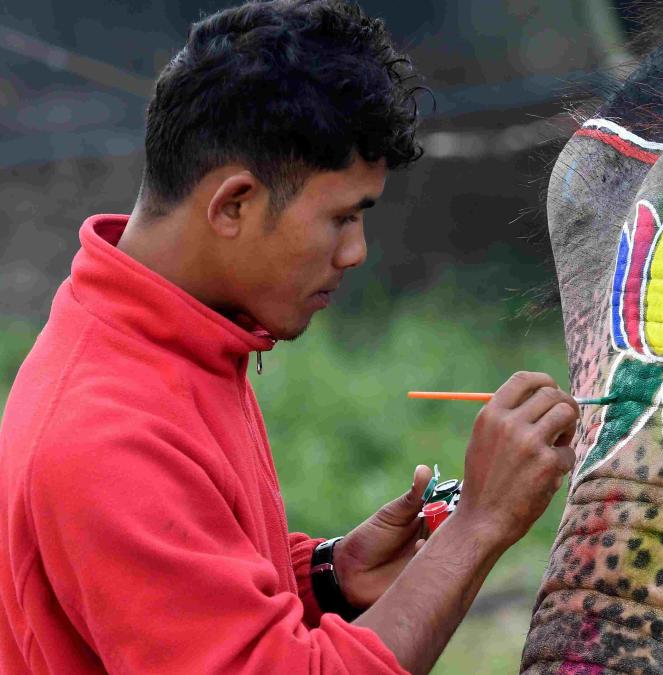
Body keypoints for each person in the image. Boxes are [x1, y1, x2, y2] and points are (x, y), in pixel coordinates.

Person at [0, 0, 580, 673]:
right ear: (234, 204)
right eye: (342, 218)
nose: (356, 251)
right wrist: (480, 523)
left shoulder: (168, 340)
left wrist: (327, 577)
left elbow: (195, 605)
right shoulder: (110, 436)